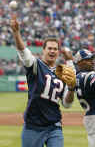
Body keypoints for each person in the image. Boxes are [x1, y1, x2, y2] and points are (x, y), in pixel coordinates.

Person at [10, 15, 75, 147]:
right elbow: (23, 52)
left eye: (55, 49)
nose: (52, 51)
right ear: (43, 50)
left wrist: (72, 88)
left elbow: (66, 104)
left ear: (58, 52)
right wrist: (16, 33)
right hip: (33, 125)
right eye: (49, 48)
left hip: (54, 126)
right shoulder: (36, 65)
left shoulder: (63, 73)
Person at [62, 48, 95, 147]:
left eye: (92, 59)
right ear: (80, 63)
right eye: (88, 59)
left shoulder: (78, 77)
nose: (92, 62)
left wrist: (69, 61)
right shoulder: (89, 76)